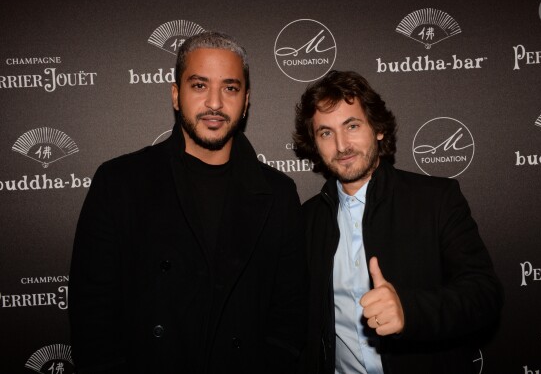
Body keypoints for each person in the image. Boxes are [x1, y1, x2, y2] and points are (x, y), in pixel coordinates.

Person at [69, 31, 308, 374]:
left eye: (230, 87)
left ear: (246, 100)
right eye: (199, 85)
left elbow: (290, 312)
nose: (215, 103)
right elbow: (92, 312)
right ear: (176, 95)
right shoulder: (119, 182)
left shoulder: (278, 193)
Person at [293, 70, 503, 374]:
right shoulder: (306, 221)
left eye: (352, 126)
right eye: (326, 133)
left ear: (378, 128)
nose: (341, 146)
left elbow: (484, 295)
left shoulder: (435, 200)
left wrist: (410, 310)